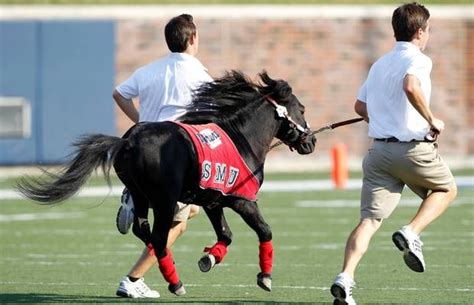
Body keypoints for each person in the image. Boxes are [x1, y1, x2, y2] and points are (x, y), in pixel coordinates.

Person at [330, 3, 457, 305]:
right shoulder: (420, 60)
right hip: (412, 150)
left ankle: (344, 279)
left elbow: (360, 108)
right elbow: (411, 86)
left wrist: (384, 118)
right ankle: (411, 232)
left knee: (369, 221)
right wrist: (432, 119)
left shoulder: (379, 64)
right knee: (447, 189)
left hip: (378, 153)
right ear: (419, 31)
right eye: (428, 30)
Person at [112, 14, 213, 298]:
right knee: (177, 224)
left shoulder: (149, 70)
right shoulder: (200, 75)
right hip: (173, 159)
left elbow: (119, 94)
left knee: (191, 209)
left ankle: (135, 196)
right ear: (192, 39)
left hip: (141, 151)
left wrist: (140, 122)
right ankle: (133, 280)